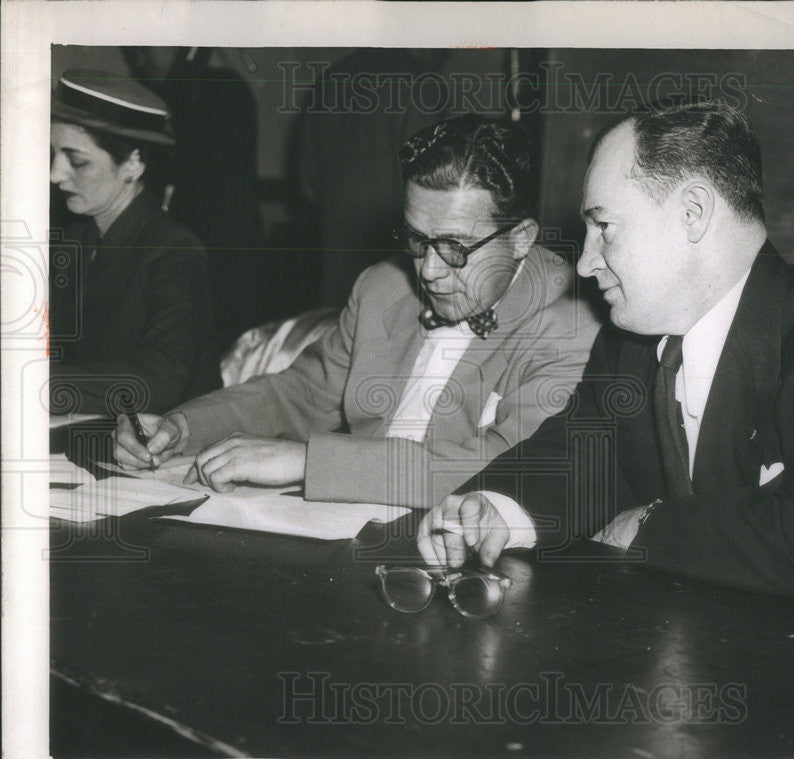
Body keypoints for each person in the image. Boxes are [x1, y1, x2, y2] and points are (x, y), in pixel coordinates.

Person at [417, 103, 794, 607]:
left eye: (604, 227)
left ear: (693, 213)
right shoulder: (631, 344)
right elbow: (578, 456)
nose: (587, 262)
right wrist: (490, 510)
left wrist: (648, 524)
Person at [114, 114, 600, 508]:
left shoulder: (571, 325)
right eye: (416, 239)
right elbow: (300, 393)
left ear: (521, 238)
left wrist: (310, 463)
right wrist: (183, 427)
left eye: (455, 247)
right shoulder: (384, 288)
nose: (428, 271)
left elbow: (507, 468)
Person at [49, 68, 220, 416]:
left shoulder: (173, 251)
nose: (55, 174)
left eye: (76, 161)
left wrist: (34, 384)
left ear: (133, 164)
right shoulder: (74, 238)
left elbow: (163, 378)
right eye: (53, 154)